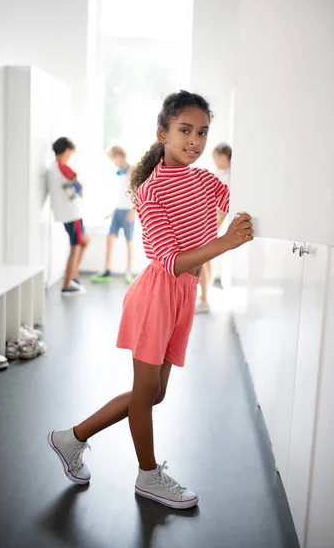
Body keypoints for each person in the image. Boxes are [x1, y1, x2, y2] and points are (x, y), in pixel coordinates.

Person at [47, 91, 253, 509]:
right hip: (157, 294)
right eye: (184, 130)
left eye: (202, 133)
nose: (194, 141)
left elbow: (237, 203)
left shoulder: (203, 180)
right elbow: (170, 260)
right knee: (146, 393)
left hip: (182, 295)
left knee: (153, 393)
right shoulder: (150, 189)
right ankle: (147, 476)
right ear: (163, 133)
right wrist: (225, 243)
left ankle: (70, 439)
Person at [47, 137, 90, 296]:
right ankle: (67, 285)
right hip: (73, 214)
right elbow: (79, 185)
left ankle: (73, 276)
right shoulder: (62, 167)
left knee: (85, 241)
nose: (70, 155)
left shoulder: (53, 168)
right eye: (70, 152)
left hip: (67, 213)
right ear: (66, 151)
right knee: (76, 246)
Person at [195, 142, 232, 314]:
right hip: (208, 221)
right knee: (206, 259)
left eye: (216, 158)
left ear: (224, 157)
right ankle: (205, 294)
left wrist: (214, 227)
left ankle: (204, 299)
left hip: (212, 224)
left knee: (202, 258)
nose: (215, 161)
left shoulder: (229, 177)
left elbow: (224, 207)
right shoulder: (220, 174)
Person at [91, 146, 135, 285]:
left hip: (128, 210)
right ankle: (107, 270)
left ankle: (129, 271)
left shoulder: (133, 170)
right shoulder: (119, 172)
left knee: (129, 241)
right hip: (118, 210)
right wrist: (112, 212)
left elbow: (138, 190)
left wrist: (135, 210)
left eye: (112, 158)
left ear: (119, 155)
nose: (113, 162)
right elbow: (121, 193)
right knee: (110, 238)